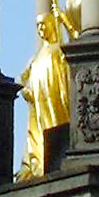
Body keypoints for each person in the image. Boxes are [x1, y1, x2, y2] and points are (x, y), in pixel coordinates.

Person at [16, 12, 70, 180]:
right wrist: (26, 91)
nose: (40, 28)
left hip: (57, 100)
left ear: (52, 24)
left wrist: (65, 22)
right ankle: (38, 163)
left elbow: (78, 48)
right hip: (40, 104)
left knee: (56, 127)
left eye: (43, 23)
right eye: (38, 25)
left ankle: (57, 154)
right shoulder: (36, 57)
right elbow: (21, 79)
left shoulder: (59, 49)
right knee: (40, 129)